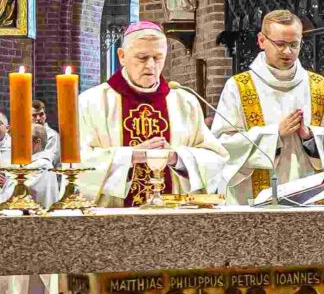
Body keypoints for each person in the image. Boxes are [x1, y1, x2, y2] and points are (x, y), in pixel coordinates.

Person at [75, 22, 223, 206]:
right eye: (142, 57)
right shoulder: (91, 102)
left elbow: (215, 158)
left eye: (158, 57)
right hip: (113, 216)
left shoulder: (185, 102)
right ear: (122, 56)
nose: (151, 65)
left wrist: (176, 158)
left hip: (174, 214)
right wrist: (131, 156)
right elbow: (77, 163)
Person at [214, 9, 324, 201]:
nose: (288, 51)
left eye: (294, 44)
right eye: (280, 44)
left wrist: (310, 137)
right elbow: (222, 145)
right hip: (253, 199)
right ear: (261, 40)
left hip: (311, 200)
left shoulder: (320, 87)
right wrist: (275, 134)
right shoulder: (238, 87)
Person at [0, 110, 58, 294]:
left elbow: (25, 193)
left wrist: (5, 182)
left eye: (21, 141)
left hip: (34, 230)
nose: (16, 146)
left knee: (27, 278)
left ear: (35, 142)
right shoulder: (27, 164)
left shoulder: (42, 165)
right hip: (17, 227)